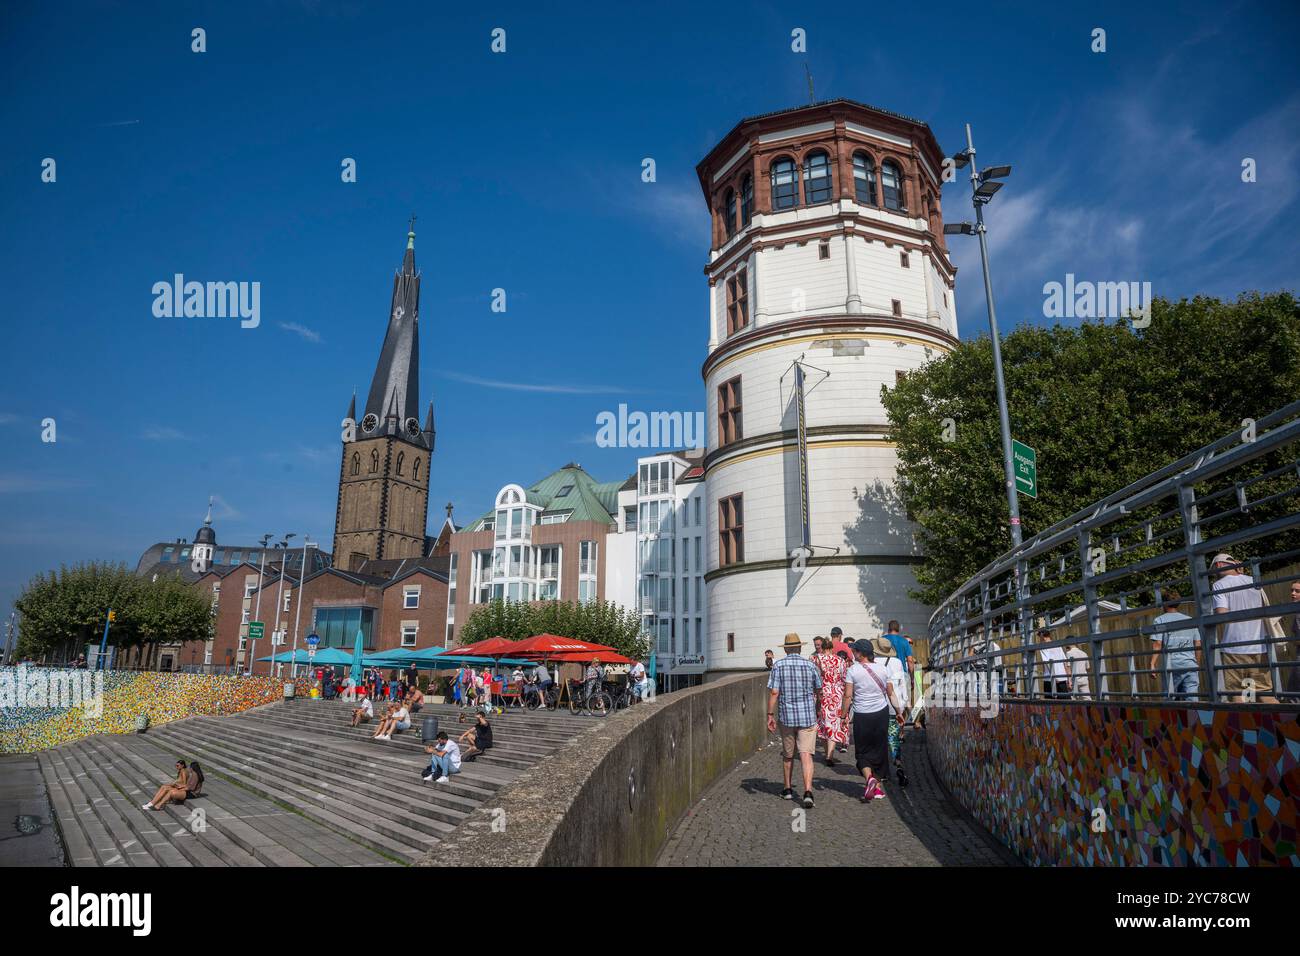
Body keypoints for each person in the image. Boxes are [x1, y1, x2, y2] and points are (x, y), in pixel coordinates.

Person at [842, 640, 904, 803]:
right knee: (879, 749)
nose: (853, 654)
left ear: (861, 654)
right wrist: (898, 712)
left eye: (854, 651)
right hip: (881, 714)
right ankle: (874, 786)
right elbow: (890, 693)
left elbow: (848, 696)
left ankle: (869, 779)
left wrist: (843, 716)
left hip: (862, 715)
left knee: (862, 752)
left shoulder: (852, 670)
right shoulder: (883, 669)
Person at [1212, 553, 1278, 703]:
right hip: (1259, 647)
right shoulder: (1254, 581)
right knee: (1264, 693)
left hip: (1233, 648)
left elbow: (1221, 615)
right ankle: (1283, 724)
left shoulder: (1219, 585)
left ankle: (1246, 726)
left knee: (1238, 694)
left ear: (1218, 565)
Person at [766, 633, 822, 809]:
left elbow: (775, 692)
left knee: (788, 755)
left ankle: (788, 789)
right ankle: (807, 792)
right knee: (806, 754)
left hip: (787, 717)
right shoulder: (810, 665)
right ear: (799, 648)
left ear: (787, 648)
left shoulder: (779, 666)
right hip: (807, 716)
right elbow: (819, 690)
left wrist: (770, 715)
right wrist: (818, 708)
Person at [871, 637, 909, 785]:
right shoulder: (897, 662)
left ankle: (882, 771)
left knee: (878, 740)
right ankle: (898, 763)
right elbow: (902, 685)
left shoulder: (872, 663)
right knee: (893, 739)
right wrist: (903, 705)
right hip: (894, 705)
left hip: (877, 707)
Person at [1150, 590, 1201, 700]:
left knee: (1171, 700)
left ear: (1164, 603)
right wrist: (1196, 663)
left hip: (1171, 665)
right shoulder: (1190, 620)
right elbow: (1197, 643)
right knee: (1192, 700)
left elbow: (1158, 643)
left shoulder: (1160, 620)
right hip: (1190, 664)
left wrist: (1152, 664)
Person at [810, 637, 847, 765]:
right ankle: (829, 755)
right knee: (833, 724)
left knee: (823, 724)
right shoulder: (841, 660)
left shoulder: (815, 659)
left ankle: (827, 753)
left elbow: (812, 679)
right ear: (831, 648)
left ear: (822, 647)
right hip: (836, 695)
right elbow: (844, 679)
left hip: (821, 695)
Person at [1036, 628, 1070, 697]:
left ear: (1042, 636)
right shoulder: (1057, 645)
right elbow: (1065, 663)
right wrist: (1069, 678)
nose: (1039, 639)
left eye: (1039, 637)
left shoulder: (1043, 647)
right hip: (1062, 677)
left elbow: (1047, 663)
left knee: (1051, 703)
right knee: (1065, 702)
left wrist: (1054, 677)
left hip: (1050, 678)